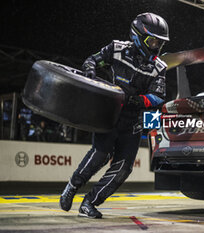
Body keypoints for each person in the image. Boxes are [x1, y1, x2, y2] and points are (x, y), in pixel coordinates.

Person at [59, 12, 169, 218]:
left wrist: (136, 101)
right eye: (153, 41)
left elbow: (158, 97)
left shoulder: (159, 68)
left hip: (133, 123)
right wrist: (89, 73)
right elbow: (91, 61)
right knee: (99, 156)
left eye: (160, 43)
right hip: (109, 116)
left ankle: (89, 203)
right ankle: (72, 186)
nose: (157, 46)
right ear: (138, 36)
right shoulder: (117, 49)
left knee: (123, 169)